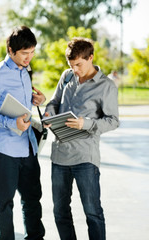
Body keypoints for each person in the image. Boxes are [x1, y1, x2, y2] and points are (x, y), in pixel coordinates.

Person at [44, 37, 119, 240]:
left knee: (92, 213)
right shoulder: (67, 77)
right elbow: (54, 102)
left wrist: (85, 123)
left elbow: (113, 121)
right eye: (71, 65)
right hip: (59, 156)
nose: (75, 69)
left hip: (85, 158)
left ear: (90, 58)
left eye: (79, 64)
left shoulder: (106, 86)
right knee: (60, 212)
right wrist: (49, 113)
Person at [0, 26, 46, 240]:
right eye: (25, 53)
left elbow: (22, 105)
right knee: (4, 204)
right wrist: (12, 123)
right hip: (4, 149)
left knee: (32, 199)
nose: (29, 57)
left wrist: (36, 100)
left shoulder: (25, 72)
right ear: (11, 50)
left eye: (32, 52)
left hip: (27, 147)